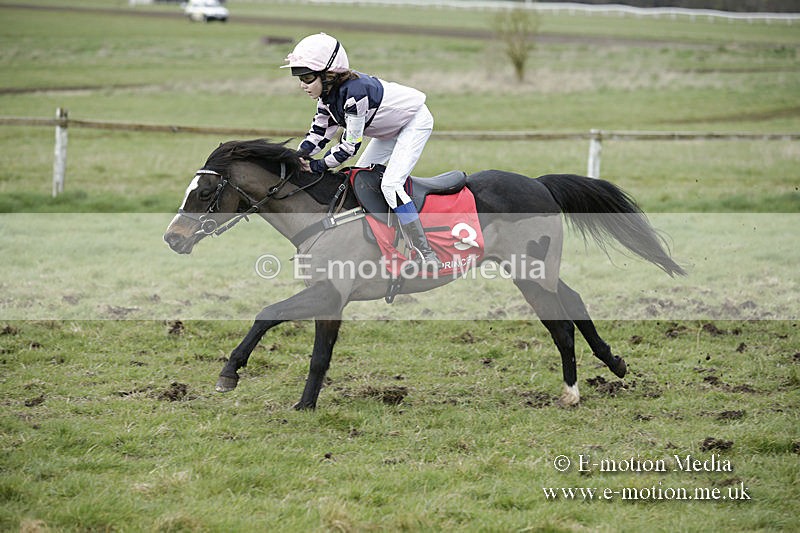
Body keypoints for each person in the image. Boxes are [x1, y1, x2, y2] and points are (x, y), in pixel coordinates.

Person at [282, 33, 439, 266]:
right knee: (358, 179)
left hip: (413, 122)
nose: (302, 85)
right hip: (389, 129)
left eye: (307, 77)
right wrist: (296, 158)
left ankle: (425, 252)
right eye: (299, 78)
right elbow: (318, 134)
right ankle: (370, 243)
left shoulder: (355, 95)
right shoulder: (326, 97)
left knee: (390, 185)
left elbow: (349, 146)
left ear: (328, 75)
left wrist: (317, 165)